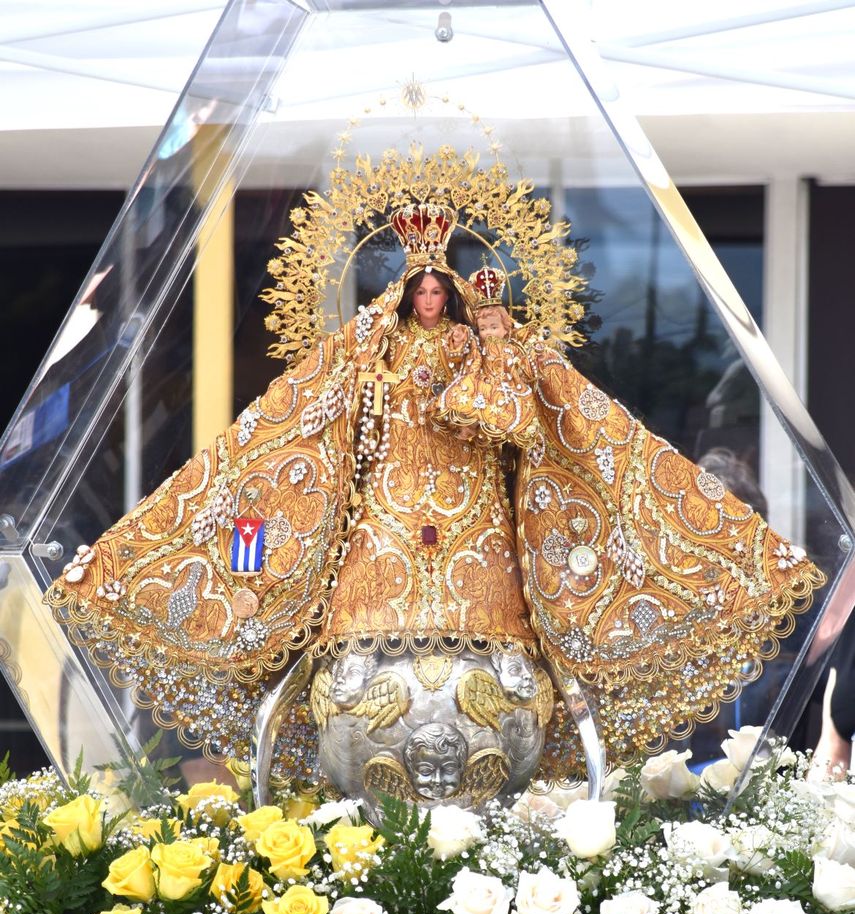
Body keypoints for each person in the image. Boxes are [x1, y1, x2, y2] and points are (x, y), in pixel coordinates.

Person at [45, 200, 824, 780]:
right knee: (346, 671)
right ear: (403, 290)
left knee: (511, 676)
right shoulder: (366, 348)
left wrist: (491, 335)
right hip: (382, 521)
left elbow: (515, 414)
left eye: (434, 291)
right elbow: (288, 424)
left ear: (449, 291)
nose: (424, 301)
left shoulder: (483, 341)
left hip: (474, 520)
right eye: (414, 289)